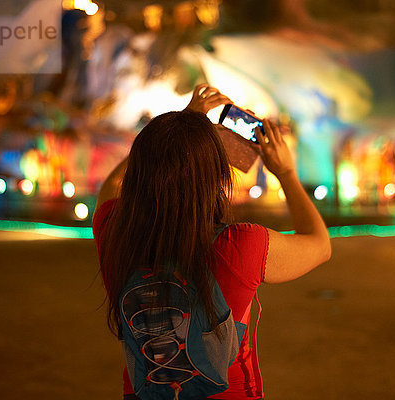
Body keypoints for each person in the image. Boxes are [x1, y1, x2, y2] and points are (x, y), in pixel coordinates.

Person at [92, 84, 331, 399]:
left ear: (139, 168)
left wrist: (177, 127)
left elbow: (113, 186)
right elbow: (319, 244)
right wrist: (285, 172)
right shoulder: (241, 244)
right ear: (217, 178)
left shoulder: (115, 233)